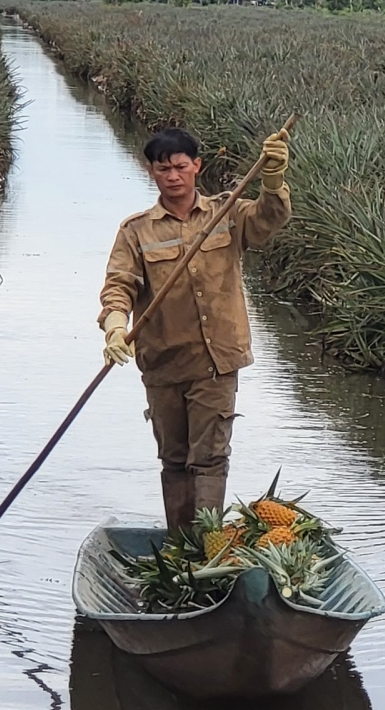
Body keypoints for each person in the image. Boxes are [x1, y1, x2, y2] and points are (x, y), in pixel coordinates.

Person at [97, 127, 292, 531]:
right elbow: (118, 286)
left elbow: (267, 220)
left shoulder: (228, 212)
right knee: (174, 457)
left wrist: (272, 181)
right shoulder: (136, 231)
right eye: (163, 168)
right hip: (164, 363)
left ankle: (206, 548)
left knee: (209, 458)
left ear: (196, 167)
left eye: (181, 167)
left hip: (217, 360)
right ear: (151, 172)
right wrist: (115, 327)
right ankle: (180, 545)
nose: (173, 176)